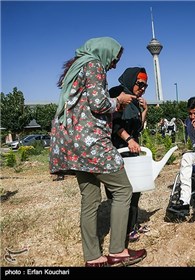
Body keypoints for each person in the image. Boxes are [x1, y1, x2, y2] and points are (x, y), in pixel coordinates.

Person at [49, 37, 147, 267]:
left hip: (71, 144)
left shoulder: (78, 66)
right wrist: (118, 101)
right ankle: (117, 251)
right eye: (115, 58)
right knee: (123, 190)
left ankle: (93, 256)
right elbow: (98, 104)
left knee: (90, 198)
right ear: (105, 52)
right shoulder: (94, 65)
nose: (114, 64)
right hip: (90, 142)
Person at [107, 67, 150, 244]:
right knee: (122, 191)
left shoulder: (135, 101)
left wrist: (145, 109)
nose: (142, 88)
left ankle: (132, 225)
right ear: (131, 80)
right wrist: (129, 139)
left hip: (132, 149)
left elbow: (138, 127)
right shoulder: (117, 93)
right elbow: (114, 123)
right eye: (139, 83)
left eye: (145, 85)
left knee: (136, 188)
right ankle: (123, 230)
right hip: (117, 149)